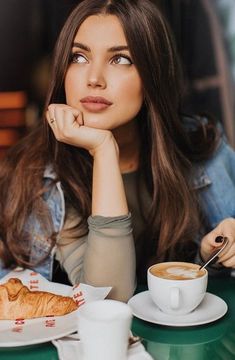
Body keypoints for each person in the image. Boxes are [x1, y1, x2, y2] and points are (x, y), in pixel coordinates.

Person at [0, 0, 235, 302]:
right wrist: (103, 149)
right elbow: (106, 297)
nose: (94, 78)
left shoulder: (202, 148)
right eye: (79, 57)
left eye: (121, 59)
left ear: (153, 75)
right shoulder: (40, 175)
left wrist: (211, 253)